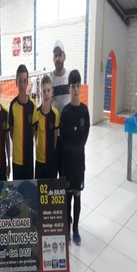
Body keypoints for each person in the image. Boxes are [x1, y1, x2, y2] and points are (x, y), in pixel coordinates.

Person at [60, 69, 90, 246]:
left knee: (77, 194)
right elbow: (63, 138)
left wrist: (78, 149)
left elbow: (85, 136)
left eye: (78, 86)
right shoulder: (65, 112)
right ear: (69, 88)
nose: (76, 89)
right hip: (67, 162)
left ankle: (76, 229)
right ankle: (67, 227)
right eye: (73, 86)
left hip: (79, 161)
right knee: (68, 195)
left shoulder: (85, 112)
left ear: (80, 87)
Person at [9, 64, 38, 180]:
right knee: (17, 193)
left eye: (24, 81)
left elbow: (33, 131)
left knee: (29, 191)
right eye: (19, 81)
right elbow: (11, 132)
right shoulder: (12, 105)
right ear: (16, 82)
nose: (22, 84)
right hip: (16, 158)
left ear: (27, 83)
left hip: (29, 158)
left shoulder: (32, 105)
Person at [49, 39, 70, 177]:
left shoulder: (70, 77)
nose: (58, 58)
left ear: (64, 56)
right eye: (55, 55)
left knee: (65, 173)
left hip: (67, 135)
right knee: (52, 173)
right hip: (53, 135)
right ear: (53, 58)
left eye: (60, 54)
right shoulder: (49, 79)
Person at [35, 75, 59, 179]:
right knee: (39, 191)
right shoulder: (36, 113)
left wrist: (52, 155)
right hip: (39, 160)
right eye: (44, 91)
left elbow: (54, 138)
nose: (46, 93)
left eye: (48, 90)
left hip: (51, 160)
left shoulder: (55, 114)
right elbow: (35, 136)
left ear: (52, 92)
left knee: (50, 191)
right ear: (41, 94)